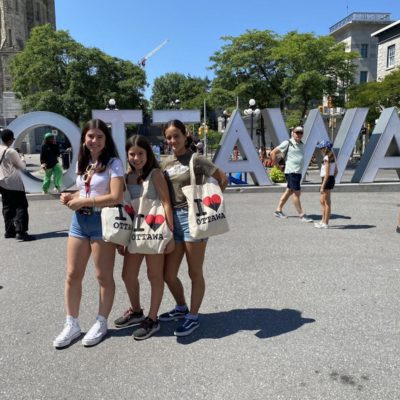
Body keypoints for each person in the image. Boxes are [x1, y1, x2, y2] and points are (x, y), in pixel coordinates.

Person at [53, 119, 124, 348]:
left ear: (106, 140)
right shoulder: (82, 162)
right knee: (72, 274)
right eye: (91, 136)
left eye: (100, 137)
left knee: (103, 276)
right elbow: (84, 189)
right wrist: (70, 197)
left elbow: (116, 197)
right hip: (79, 222)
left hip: (102, 222)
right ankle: (72, 323)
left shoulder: (114, 163)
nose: (94, 141)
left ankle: (101, 322)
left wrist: (85, 200)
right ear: (84, 138)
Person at [159, 119, 228, 336]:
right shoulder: (166, 162)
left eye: (176, 136)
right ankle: (181, 307)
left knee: (194, 271)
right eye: (169, 137)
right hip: (173, 221)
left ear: (185, 135)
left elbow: (222, 178)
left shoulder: (197, 159)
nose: (172, 141)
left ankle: (193, 316)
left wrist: (211, 205)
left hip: (193, 218)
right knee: (168, 274)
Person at [114, 135, 174, 340]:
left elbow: (166, 203)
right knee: (127, 275)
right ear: (127, 155)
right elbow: (124, 208)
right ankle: (137, 311)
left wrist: (171, 234)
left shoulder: (156, 174)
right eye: (132, 154)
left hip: (155, 231)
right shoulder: (126, 177)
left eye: (141, 153)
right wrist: (120, 239)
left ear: (148, 154)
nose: (136, 158)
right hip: (133, 233)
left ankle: (152, 318)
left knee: (154, 276)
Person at [269, 126, 313, 222]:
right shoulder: (287, 143)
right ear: (292, 133)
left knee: (289, 191)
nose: (299, 134)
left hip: (297, 172)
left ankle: (278, 210)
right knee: (296, 193)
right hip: (292, 172)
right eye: (297, 132)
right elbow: (273, 153)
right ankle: (302, 215)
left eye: (300, 133)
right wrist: (276, 165)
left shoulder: (302, 144)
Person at [0, 129, 35, 241]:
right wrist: (22, 157)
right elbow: (21, 166)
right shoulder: (10, 151)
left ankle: (9, 231)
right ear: (10, 139)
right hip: (13, 182)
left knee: (7, 206)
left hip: (1, 182)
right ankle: (21, 232)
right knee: (21, 206)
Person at [315, 140, 337, 229]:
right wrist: (332, 179)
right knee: (322, 201)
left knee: (326, 202)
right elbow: (336, 171)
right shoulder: (332, 156)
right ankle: (323, 220)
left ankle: (325, 223)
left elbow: (327, 173)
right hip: (329, 179)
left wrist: (323, 185)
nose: (320, 150)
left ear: (325, 148)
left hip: (326, 179)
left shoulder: (327, 158)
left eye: (321, 148)